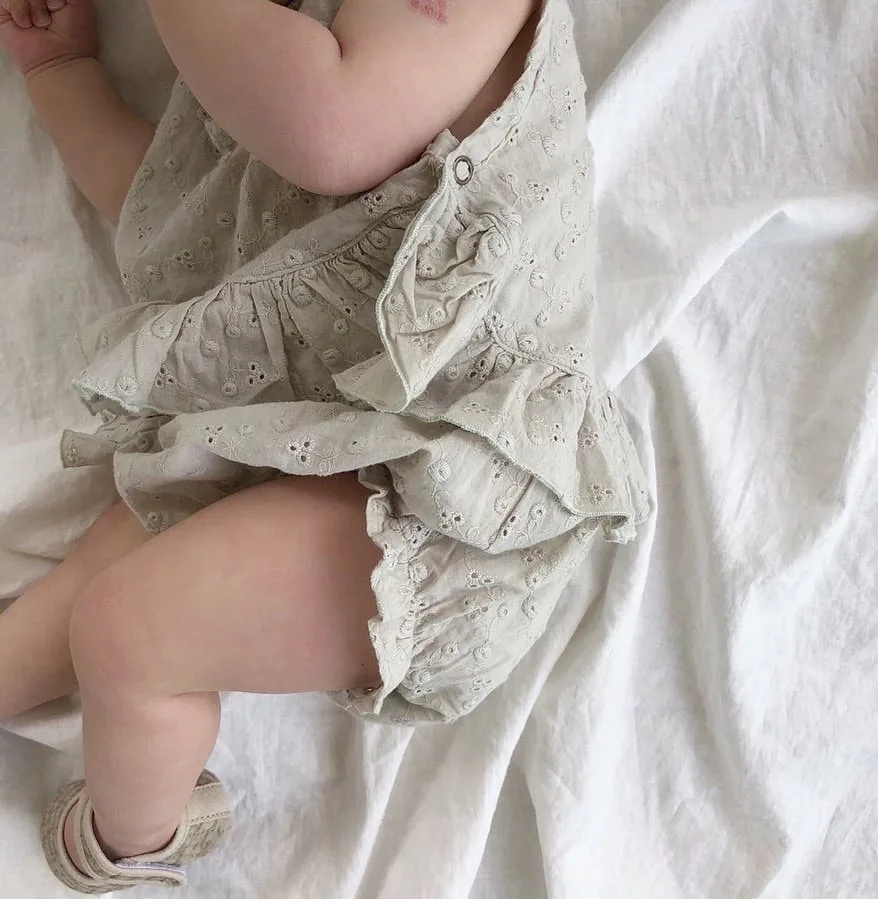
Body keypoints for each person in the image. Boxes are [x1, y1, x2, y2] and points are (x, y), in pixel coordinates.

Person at [0, 0, 649, 891]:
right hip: (285, 435)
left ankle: (132, 841)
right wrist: (62, 77)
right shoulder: (265, 45)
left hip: (438, 491)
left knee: (122, 630)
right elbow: (176, 227)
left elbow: (331, 127)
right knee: (76, 602)